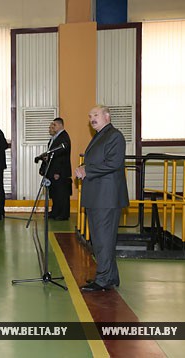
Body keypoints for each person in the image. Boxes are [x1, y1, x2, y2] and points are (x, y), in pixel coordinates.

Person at [75, 105, 129, 292]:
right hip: (98, 196)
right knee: (101, 239)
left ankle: (103, 279)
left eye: (96, 115)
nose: (92, 119)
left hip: (106, 198)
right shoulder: (100, 135)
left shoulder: (114, 136)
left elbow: (114, 163)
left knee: (103, 240)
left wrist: (86, 170)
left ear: (107, 116)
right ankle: (111, 276)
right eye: (90, 116)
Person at [43, 118, 72, 221]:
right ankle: (55, 211)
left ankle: (63, 214)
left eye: (54, 125)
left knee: (62, 193)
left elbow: (62, 156)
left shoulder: (63, 137)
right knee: (55, 192)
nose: (53, 127)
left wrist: (57, 172)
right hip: (53, 168)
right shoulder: (55, 137)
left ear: (60, 125)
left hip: (60, 170)